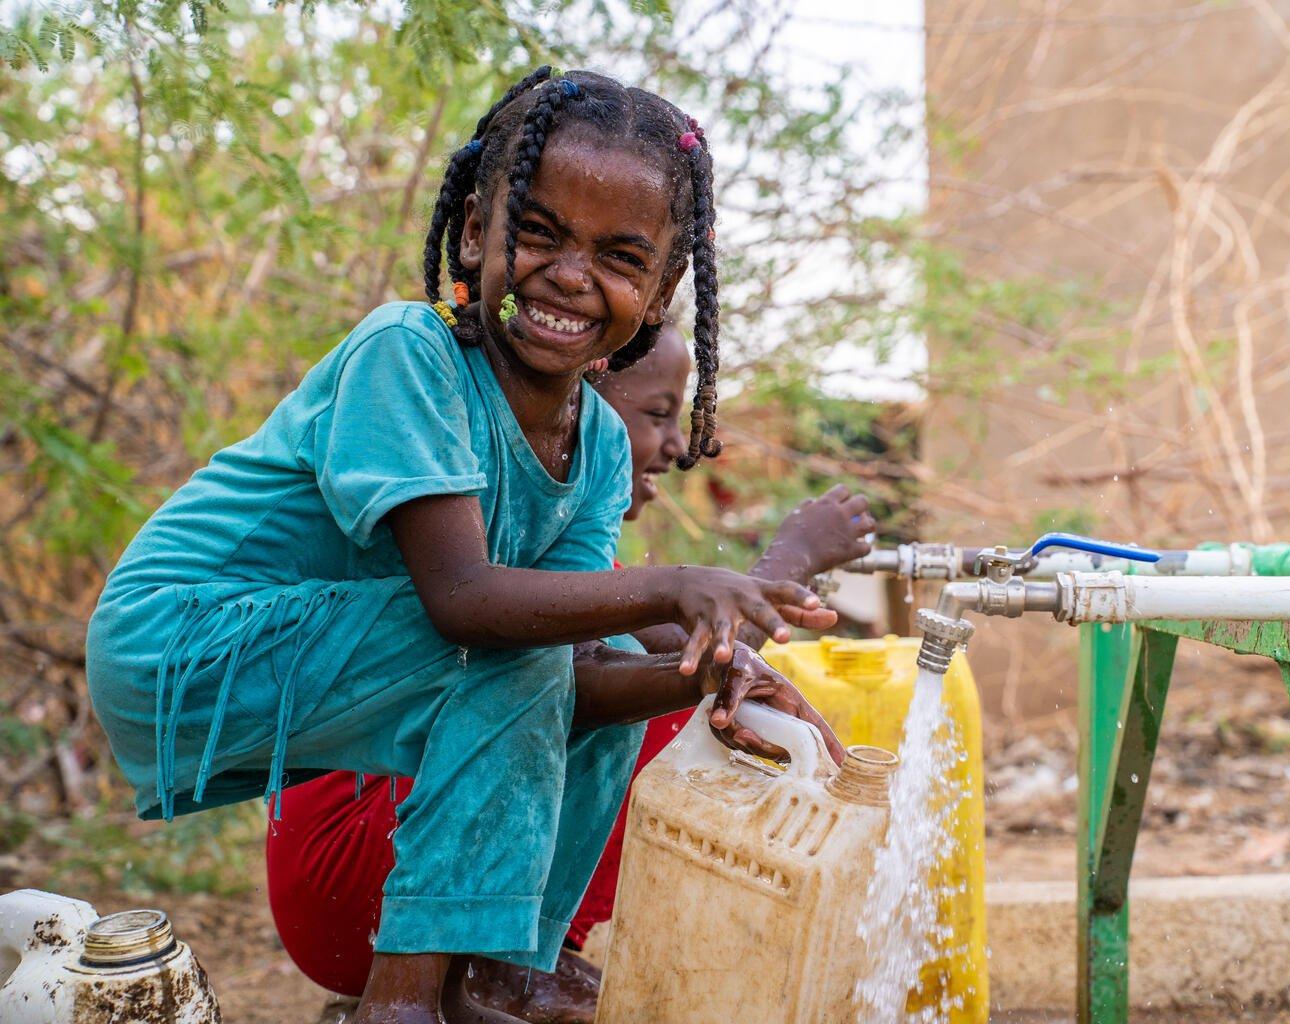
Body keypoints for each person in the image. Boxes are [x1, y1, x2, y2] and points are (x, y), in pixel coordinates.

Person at [86, 67, 849, 1024]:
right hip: (183, 637)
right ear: (476, 227)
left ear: (661, 290)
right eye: (537, 232)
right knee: (512, 648)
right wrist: (676, 587)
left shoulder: (599, 445)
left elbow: (569, 675)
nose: (571, 276)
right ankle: (403, 1003)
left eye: (620, 257)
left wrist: (700, 678)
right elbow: (463, 601)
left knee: (554, 676)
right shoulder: (407, 354)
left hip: (324, 653)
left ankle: (500, 973)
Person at [264, 323, 876, 1022]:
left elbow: (706, 648)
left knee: (691, 682)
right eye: (656, 414)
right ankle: (505, 972)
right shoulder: (489, 548)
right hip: (362, 890)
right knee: (666, 699)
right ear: (575, 402)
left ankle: (511, 964)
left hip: (361, 894)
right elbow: (695, 656)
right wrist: (781, 568)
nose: (677, 447)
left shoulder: (550, 555)